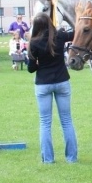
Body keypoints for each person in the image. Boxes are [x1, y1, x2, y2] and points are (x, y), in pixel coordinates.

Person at [27, 13, 78, 164]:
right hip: (62, 80)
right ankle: (72, 158)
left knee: (45, 122)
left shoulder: (34, 43)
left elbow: (30, 68)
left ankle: (48, 159)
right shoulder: (60, 36)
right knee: (67, 120)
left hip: (43, 83)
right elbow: (76, 32)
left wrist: (38, 64)